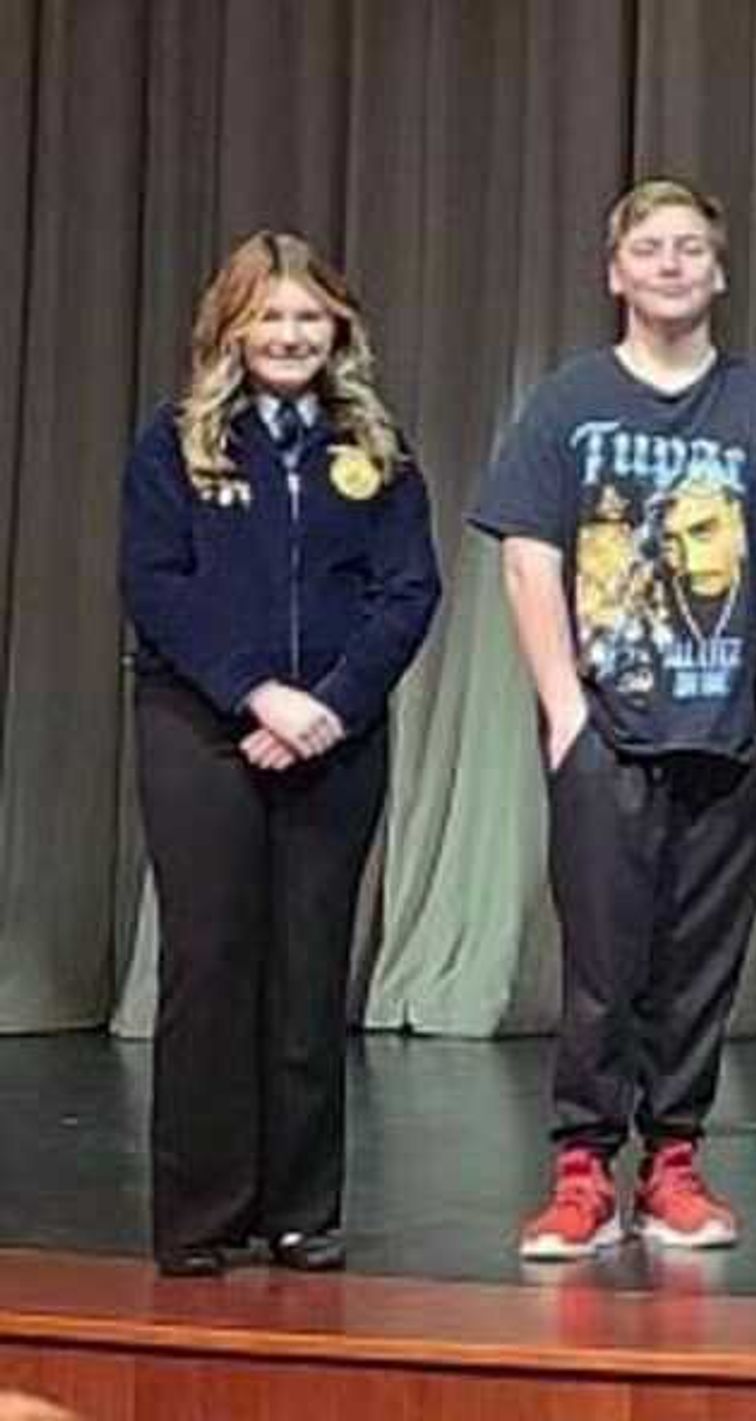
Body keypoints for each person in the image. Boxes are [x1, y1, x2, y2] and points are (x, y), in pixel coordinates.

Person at [475, 179, 756, 1261]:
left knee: (701, 957)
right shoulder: (571, 401)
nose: (670, 264)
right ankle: (582, 1168)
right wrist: (565, 707)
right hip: (609, 726)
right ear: (615, 271)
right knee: (604, 959)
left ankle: (671, 1159)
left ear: (719, 271)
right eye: (649, 248)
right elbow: (529, 554)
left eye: (690, 248)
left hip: (734, 729)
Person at [120, 230, 442, 1278]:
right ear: (232, 328)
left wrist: (329, 707)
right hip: (201, 725)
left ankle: (302, 1208)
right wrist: (257, 692)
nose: (291, 334)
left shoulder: (378, 451)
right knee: (212, 962)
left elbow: (409, 592)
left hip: (334, 736)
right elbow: (157, 585)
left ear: (338, 328)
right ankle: (202, 1212)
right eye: (270, 316)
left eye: (309, 316)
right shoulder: (174, 444)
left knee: (309, 972)